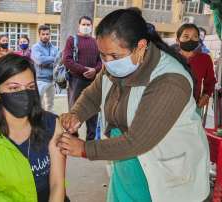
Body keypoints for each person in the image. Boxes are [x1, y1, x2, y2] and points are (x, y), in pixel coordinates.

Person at [57, 9, 210, 202]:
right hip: (126, 164)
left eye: (114, 56)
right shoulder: (115, 66)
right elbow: (93, 95)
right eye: (103, 55)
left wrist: (84, 149)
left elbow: (137, 141)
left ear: (140, 47)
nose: (108, 62)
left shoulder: (170, 80)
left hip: (166, 172)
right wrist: (77, 114)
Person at [0, 54, 68, 202]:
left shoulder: (51, 124)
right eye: (14, 87)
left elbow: (58, 184)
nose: (24, 93)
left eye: (30, 87)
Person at [62, 16, 102, 141]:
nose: (86, 27)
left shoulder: (96, 42)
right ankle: (73, 137)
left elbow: (101, 61)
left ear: (91, 26)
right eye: (83, 24)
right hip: (76, 81)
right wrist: (85, 70)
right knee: (75, 108)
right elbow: (67, 60)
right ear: (78, 25)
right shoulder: (72, 40)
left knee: (93, 110)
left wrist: (95, 70)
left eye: (88, 24)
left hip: (93, 81)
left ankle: (91, 140)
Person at [176, 23, 216, 112]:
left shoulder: (205, 59)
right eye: (186, 36)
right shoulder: (170, 58)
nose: (191, 40)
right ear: (178, 40)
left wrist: (206, 95)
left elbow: (210, 81)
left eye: (195, 37)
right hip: (169, 105)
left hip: (193, 107)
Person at [31, 25, 58, 112]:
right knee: (39, 105)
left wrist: (46, 59)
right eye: (43, 34)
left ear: (50, 35)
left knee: (50, 105)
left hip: (52, 80)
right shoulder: (35, 47)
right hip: (40, 80)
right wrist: (52, 59)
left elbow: (58, 61)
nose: (45, 36)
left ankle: (49, 123)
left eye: (47, 34)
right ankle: (39, 123)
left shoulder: (54, 48)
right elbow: (39, 61)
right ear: (39, 35)